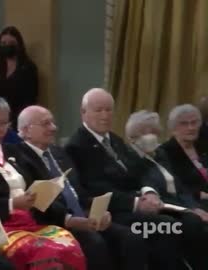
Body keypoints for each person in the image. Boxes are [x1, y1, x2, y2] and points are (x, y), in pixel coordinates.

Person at [64, 88, 207, 270]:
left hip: (142, 202)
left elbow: (139, 172)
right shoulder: (76, 146)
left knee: (191, 220)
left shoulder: (115, 140)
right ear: (84, 113)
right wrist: (136, 202)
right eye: (99, 110)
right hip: (116, 211)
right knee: (166, 227)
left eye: (109, 110)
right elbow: (94, 188)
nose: (105, 115)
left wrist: (149, 192)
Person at [10, 105, 147, 270]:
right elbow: (38, 203)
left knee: (130, 238)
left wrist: (97, 210)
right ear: (26, 130)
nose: (53, 128)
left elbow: (79, 192)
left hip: (84, 215)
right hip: (56, 222)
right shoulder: (20, 157)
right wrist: (71, 220)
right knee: (95, 243)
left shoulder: (59, 152)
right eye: (46, 124)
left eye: (53, 123)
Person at [0, 93, 86, 270]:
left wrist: (41, 194)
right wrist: (11, 204)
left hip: (29, 221)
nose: (3, 130)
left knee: (68, 243)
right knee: (46, 252)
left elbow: (34, 184)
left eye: (6, 124)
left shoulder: (12, 151)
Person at [0, 26, 38, 130]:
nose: (7, 46)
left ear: (19, 44)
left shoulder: (28, 68)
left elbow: (30, 99)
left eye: (11, 43)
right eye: (3, 43)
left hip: (18, 122)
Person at [158, 104, 208, 210]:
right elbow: (174, 186)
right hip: (191, 203)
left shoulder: (203, 145)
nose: (191, 127)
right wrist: (199, 194)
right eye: (184, 124)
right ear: (173, 127)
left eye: (194, 122)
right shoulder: (165, 152)